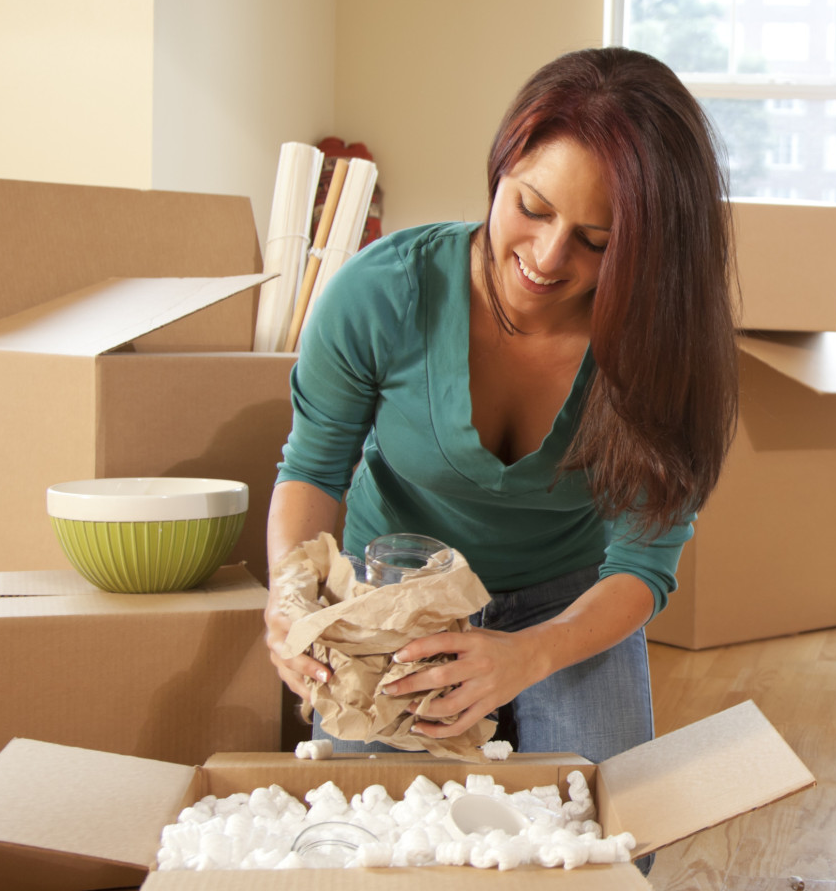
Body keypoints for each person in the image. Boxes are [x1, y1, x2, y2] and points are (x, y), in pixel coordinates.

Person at [263, 49, 738, 787]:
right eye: (533, 208)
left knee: (603, 835)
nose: (548, 259)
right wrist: (293, 595)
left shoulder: (660, 348)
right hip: (390, 593)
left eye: (598, 242)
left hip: (569, 599)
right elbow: (312, 469)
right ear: (502, 166)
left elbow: (643, 565)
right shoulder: (381, 295)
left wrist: (530, 654)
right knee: (372, 837)